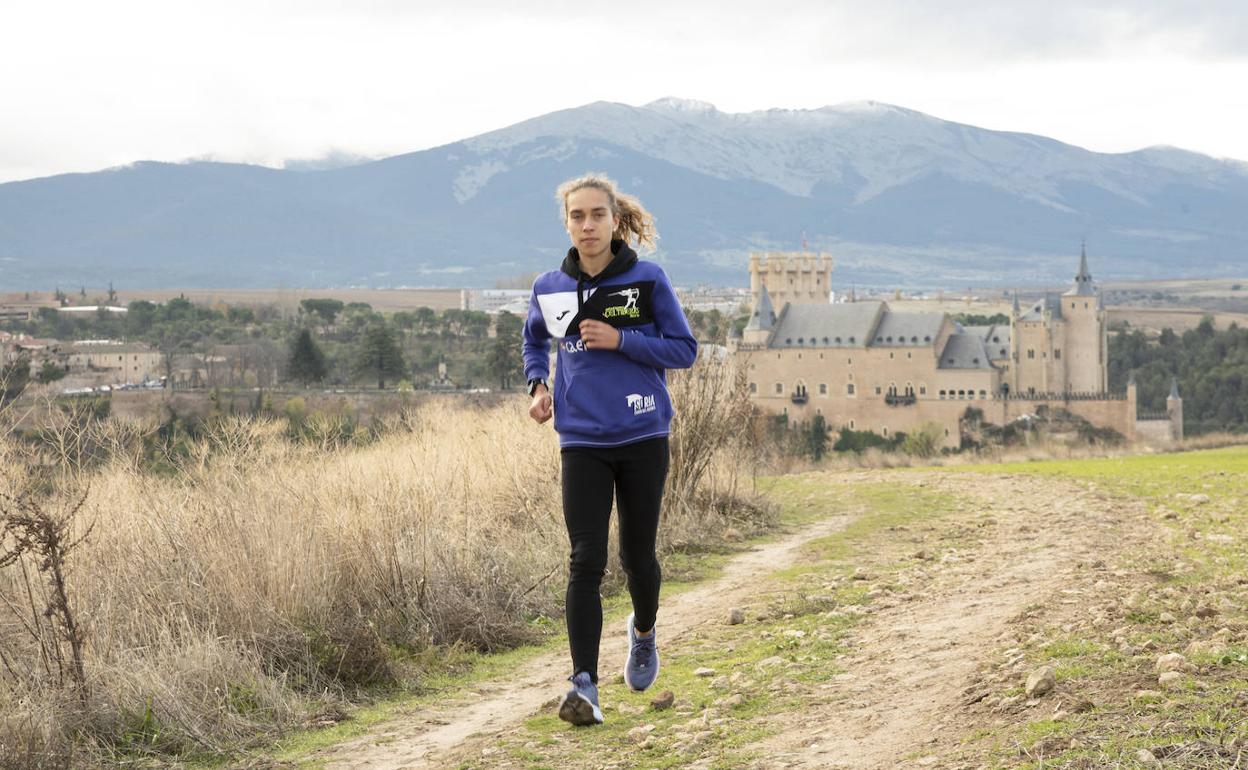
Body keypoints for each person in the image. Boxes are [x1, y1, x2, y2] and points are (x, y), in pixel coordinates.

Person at [522, 174, 697, 726]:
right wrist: (538, 384)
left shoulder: (647, 280)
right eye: (578, 216)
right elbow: (533, 341)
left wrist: (621, 339)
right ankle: (584, 685)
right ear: (567, 223)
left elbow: (684, 349)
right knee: (585, 560)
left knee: (637, 557)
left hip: (643, 436)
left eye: (598, 215)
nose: (588, 225)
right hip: (581, 441)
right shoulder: (550, 286)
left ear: (615, 221)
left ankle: (643, 632)